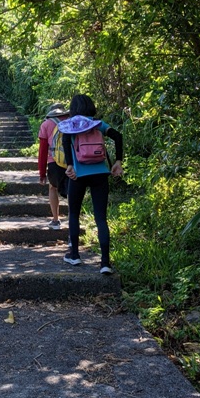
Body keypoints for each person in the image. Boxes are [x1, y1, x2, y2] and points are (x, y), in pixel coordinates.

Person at [59, 94, 123, 274]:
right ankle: (105, 263)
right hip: (100, 174)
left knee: (74, 213)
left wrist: (70, 165)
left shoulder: (70, 126)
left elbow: (65, 142)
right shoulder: (98, 124)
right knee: (101, 218)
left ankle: (75, 255)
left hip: (77, 176)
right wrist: (118, 161)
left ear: (73, 109)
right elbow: (118, 136)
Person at [37, 103, 70, 230]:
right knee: (72, 190)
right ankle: (73, 219)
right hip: (71, 161)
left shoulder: (46, 124)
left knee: (53, 188)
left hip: (54, 162)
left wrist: (42, 173)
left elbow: (43, 151)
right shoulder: (70, 121)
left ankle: (56, 220)